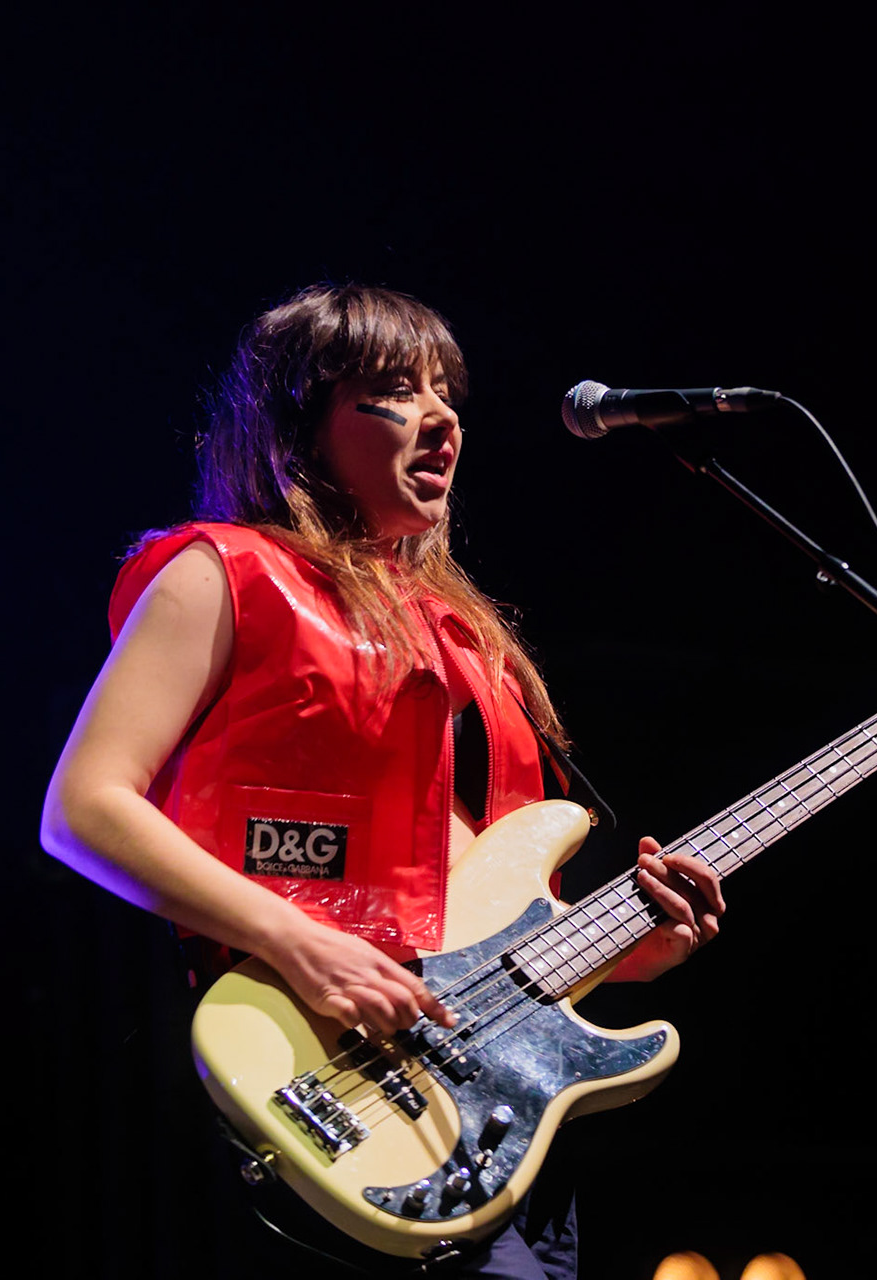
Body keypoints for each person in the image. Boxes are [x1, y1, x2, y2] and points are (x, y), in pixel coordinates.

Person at [39, 283, 726, 1278]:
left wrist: (624, 951)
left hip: (484, 1116)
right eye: (394, 390)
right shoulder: (224, 573)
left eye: (446, 390)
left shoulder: (468, 639)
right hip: (295, 1076)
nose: (442, 414)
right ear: (297, 430)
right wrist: (297, 938)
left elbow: (474, 907)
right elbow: (84, 807)